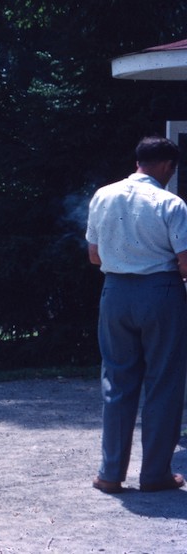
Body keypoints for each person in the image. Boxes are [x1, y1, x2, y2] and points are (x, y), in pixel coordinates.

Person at [85, 136, 187, 494]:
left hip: (115, 293)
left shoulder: (103, 196)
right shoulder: (171, 204)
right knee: (163, 383)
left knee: (117, 382)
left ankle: (110, 473)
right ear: (167, 166)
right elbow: (185, 262)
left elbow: (94, 255)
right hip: (161, 292)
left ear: (138, 160)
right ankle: (155, 473)